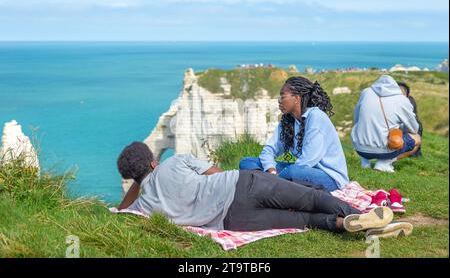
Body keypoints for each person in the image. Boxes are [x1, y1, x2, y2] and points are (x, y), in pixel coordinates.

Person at [116, 142, 413, 239]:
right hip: (242, 185)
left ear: (133, 179)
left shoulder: (144, 208)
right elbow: (216, 173)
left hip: (234, 221)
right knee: (309, 197)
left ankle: (348, 225)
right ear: (154, 160)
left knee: (305, 220)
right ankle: (364, 216)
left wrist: (137, 187)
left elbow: (122, 207)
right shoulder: (175, 161)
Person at [239, 76, 349, 192]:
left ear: (296, 98)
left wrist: (279, 175)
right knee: (247, 162)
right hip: (300, 172)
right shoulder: (288, 121)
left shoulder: (316, 117)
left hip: (329, 179)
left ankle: (268, 185)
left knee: (293, 171)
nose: (279, 100)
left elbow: (307, 161)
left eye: (282, 96)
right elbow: (269, 150)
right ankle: (273, 184)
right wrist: (271, 171)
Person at [351, 75, 421, 172]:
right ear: (395, 87)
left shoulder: (365, 92)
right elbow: (414, 129)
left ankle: (365, 162)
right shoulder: (402, 99)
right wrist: (399, 127)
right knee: (417, 138)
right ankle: (384, 163)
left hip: (359, 148)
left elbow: (356, 118)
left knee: (364, 129)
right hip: (385, 150)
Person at [397, 81, 423, 157]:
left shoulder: (409, 101)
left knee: (416, 126)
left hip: (409, 125)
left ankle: (414, 153)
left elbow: (412, 121)